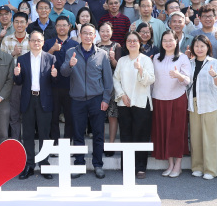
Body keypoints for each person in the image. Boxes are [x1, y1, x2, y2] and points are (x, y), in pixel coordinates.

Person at [60, 23, 113, 179]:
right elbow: (63, 72)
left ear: (94, 36)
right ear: (80, 35)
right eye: (85, 33)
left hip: (97, 99)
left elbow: (108, 80)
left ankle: (98, 164)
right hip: (77, 100)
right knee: (78, 133)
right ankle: (79, 164)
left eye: (91, 34)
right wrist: (70, 65)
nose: (88, 36)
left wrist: (106, 99)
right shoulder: (71, 52)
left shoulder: (102, 54)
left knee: (98, 133)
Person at [13, 30, 57, 180]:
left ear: (43, 42)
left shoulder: (51, 58)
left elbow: (54, 83)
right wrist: (17, 74)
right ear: (29, 42)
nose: (36, 43)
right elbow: (19, 82)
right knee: (28, 134)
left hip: (44, 99)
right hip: (28, 99)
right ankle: (29, 165)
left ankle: (44, 165)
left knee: (44, 134)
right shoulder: (22, 59)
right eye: (33, 40)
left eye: (39, 40)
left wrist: (54, 76)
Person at [113, 32, 156, 179]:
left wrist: (140, 69)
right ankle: (127, 166)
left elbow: (150, 80)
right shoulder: (122, 60)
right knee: (126, 135)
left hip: (141, 102)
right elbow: (115, 79)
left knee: (141, 136)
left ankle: (140, 167)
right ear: (125, 43)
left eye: (135, 41)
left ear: (140, 43)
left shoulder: (146, 60)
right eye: (129, 41)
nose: (132, 43)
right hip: (124, 102)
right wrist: (122, 95)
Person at [151, 30, 191, 177]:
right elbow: (152, 79)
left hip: (177, 98)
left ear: (176, 41)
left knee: (177, 132)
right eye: (165, 40)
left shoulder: (183, 58)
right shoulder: (156, 58)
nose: (168, 43)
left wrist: (179, 75)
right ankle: (170, 164)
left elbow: (187, 80)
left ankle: (178, 164)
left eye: (170, 40)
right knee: (164, 131)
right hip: (159, 98)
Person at [187, 35, 217, 180]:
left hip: (209, 103)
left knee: (210, 137)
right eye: (196, 46)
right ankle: (197, 167)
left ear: (208, 47)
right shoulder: (190, 63)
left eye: (202, 46)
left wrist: (214, 76)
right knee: (195, 137)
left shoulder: (213, 62)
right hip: (193, 103)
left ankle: (211, 169)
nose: (199, 49)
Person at [44, 16, 78, 141]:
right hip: (52, 86)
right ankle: (55, 142)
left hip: (71, 86)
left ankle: (67, 143)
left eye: (64, 25)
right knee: (53, 117)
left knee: (70, 117)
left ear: (69, 27)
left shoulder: (75, 44)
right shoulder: (48, 43)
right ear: (55, 27)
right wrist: (52, 49)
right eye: (59, 25)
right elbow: (42, 61)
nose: (62, 27)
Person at [1, 11, 30, 139]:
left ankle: (27, 143)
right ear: (13, 23)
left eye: (22, 22)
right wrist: (12, 54)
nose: (19, 25)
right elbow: (1, 63)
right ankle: (16, 142)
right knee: (14, 116)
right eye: (16, 22)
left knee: (28, 116)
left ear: (27, 24)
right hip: (13, 84)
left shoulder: (32, 39)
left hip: (29, 83)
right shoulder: (6, 40)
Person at [95, 22, 120, 154]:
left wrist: (112, 59)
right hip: (97, 84)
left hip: (113, 85)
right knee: (99, 116)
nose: (105, 33)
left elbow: (119, 67)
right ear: (98, 32)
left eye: (108, 31)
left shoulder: (117, 46)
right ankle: (100, 144)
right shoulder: (94, 46)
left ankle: (111, 144)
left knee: (112, 115)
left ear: (112, 32)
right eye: (102, 31)